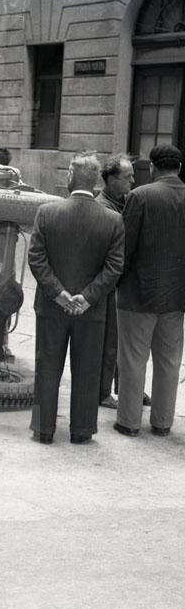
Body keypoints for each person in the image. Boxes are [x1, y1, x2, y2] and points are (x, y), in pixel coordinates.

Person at [28, 152, 124, 445]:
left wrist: (58, 293)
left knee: (46, 369)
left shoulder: (46, 212)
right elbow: (114, 267)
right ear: (96, 182)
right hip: (90, 311)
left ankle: (43, 429)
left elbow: (36, 258)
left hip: (51, 307)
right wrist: (87, 297)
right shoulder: (113, 219)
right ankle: (81, 431)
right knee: (87, 371)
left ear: (70, 176)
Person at [114, 144, 185, 438]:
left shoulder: (139, 196)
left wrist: (116, 281)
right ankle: (162, 422)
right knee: (169, 362)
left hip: (138, 293)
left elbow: (124, 248)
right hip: (177, 296)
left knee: (133, 359)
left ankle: (129, 422)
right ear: (179, 168)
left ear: (153, 167)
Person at [94, 154, 151, 410]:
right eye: (127, 177)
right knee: (110, 340)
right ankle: (103, 392)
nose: (133, 181)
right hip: (110, 281)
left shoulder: (126, 201)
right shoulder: (102, 207)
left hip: (126, 280)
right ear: (111, 180)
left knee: (128, 340)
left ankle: (128, 387)